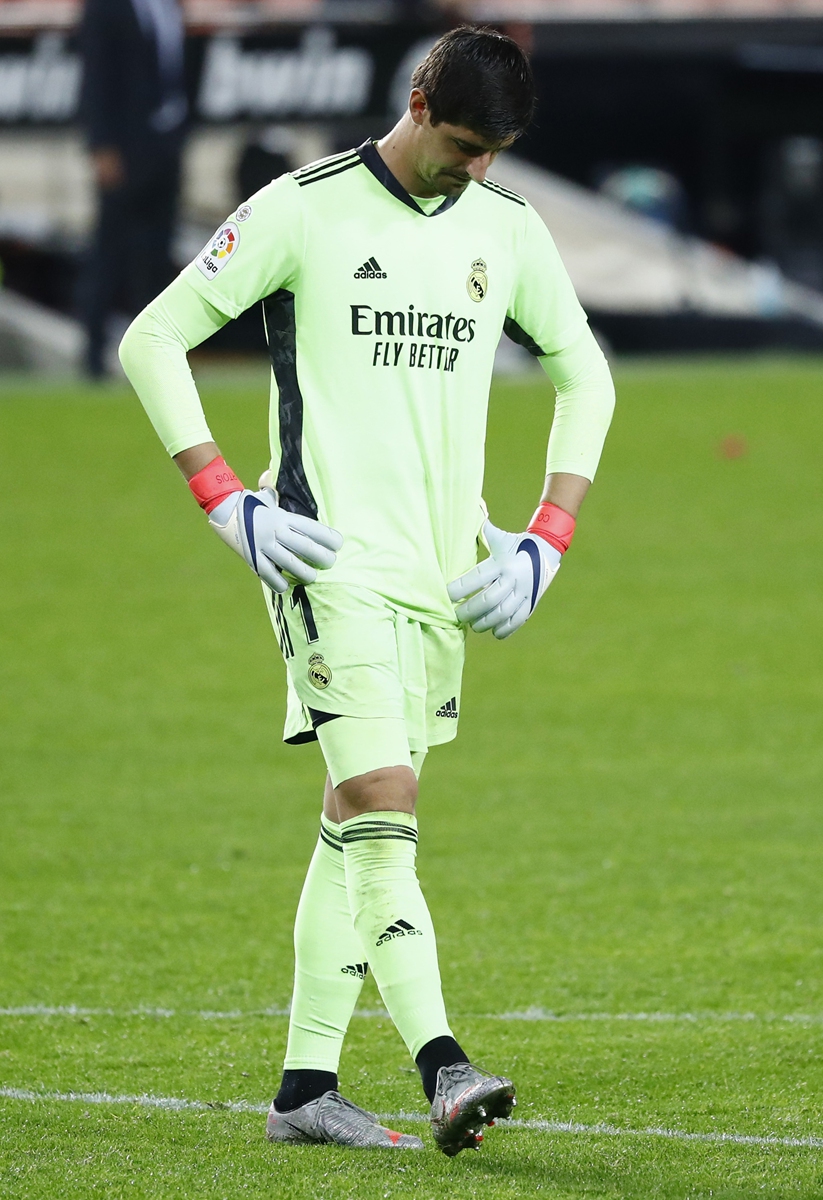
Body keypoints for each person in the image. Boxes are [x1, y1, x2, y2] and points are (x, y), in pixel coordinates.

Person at [119, 26, 615, 1155]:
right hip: (325, 563)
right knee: (387, 805)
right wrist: (224, 501)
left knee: (353, 821)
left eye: (493, 154)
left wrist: (544, 540)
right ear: (419, 101)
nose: (474, 169)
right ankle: (444, 1065)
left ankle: (305, 1090)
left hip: (441, 580)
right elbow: (155, 339)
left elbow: (585, 376)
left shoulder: (506, 228)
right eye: (463, 144)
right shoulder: (303, 210)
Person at [77, 0, 187, 378]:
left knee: (157, 256)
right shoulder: (106, 7)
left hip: (165, 145)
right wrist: (102, 145)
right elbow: (95, 77)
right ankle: (93, 355)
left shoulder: (169, 5)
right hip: (124, 147)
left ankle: (157, 353)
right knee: (109, 253)